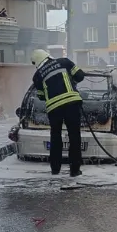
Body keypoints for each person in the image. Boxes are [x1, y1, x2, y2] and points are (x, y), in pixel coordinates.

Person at [31, 49, 86, 177]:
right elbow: (80, 76)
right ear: (48, 56)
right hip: (72, 104)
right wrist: (72, 81)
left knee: (55, 137)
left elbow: (41, 96)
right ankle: (74, 170)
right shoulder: (64, 62)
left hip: (54, 109)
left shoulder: (37, 75)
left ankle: (55, 169)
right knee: (74, 137)